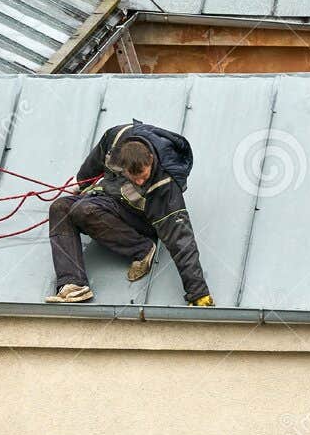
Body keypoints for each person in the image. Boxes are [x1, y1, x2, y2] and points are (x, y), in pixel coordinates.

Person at [45, 122, 213, 306]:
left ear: (150, 159)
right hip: (111, 198)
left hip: (144, 219)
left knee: (83, 209)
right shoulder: (115, 138)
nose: (141, 181)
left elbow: (181, 240)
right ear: (122, 167)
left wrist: (198, 293)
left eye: (144, 175)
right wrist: (82, 184)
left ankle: (142, 248)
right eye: (135, 177)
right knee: (59, 207)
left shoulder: (165, 184)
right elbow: (93, 163)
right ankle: (73, 284)